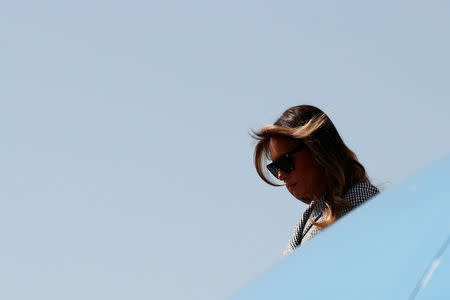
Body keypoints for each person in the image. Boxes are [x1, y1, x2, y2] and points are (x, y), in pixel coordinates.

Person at [251, 105, 379, 256]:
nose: (280, 175)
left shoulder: (361, 200)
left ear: (316, 150)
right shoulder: (309, 219)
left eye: (285, 163)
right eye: (275, 167)